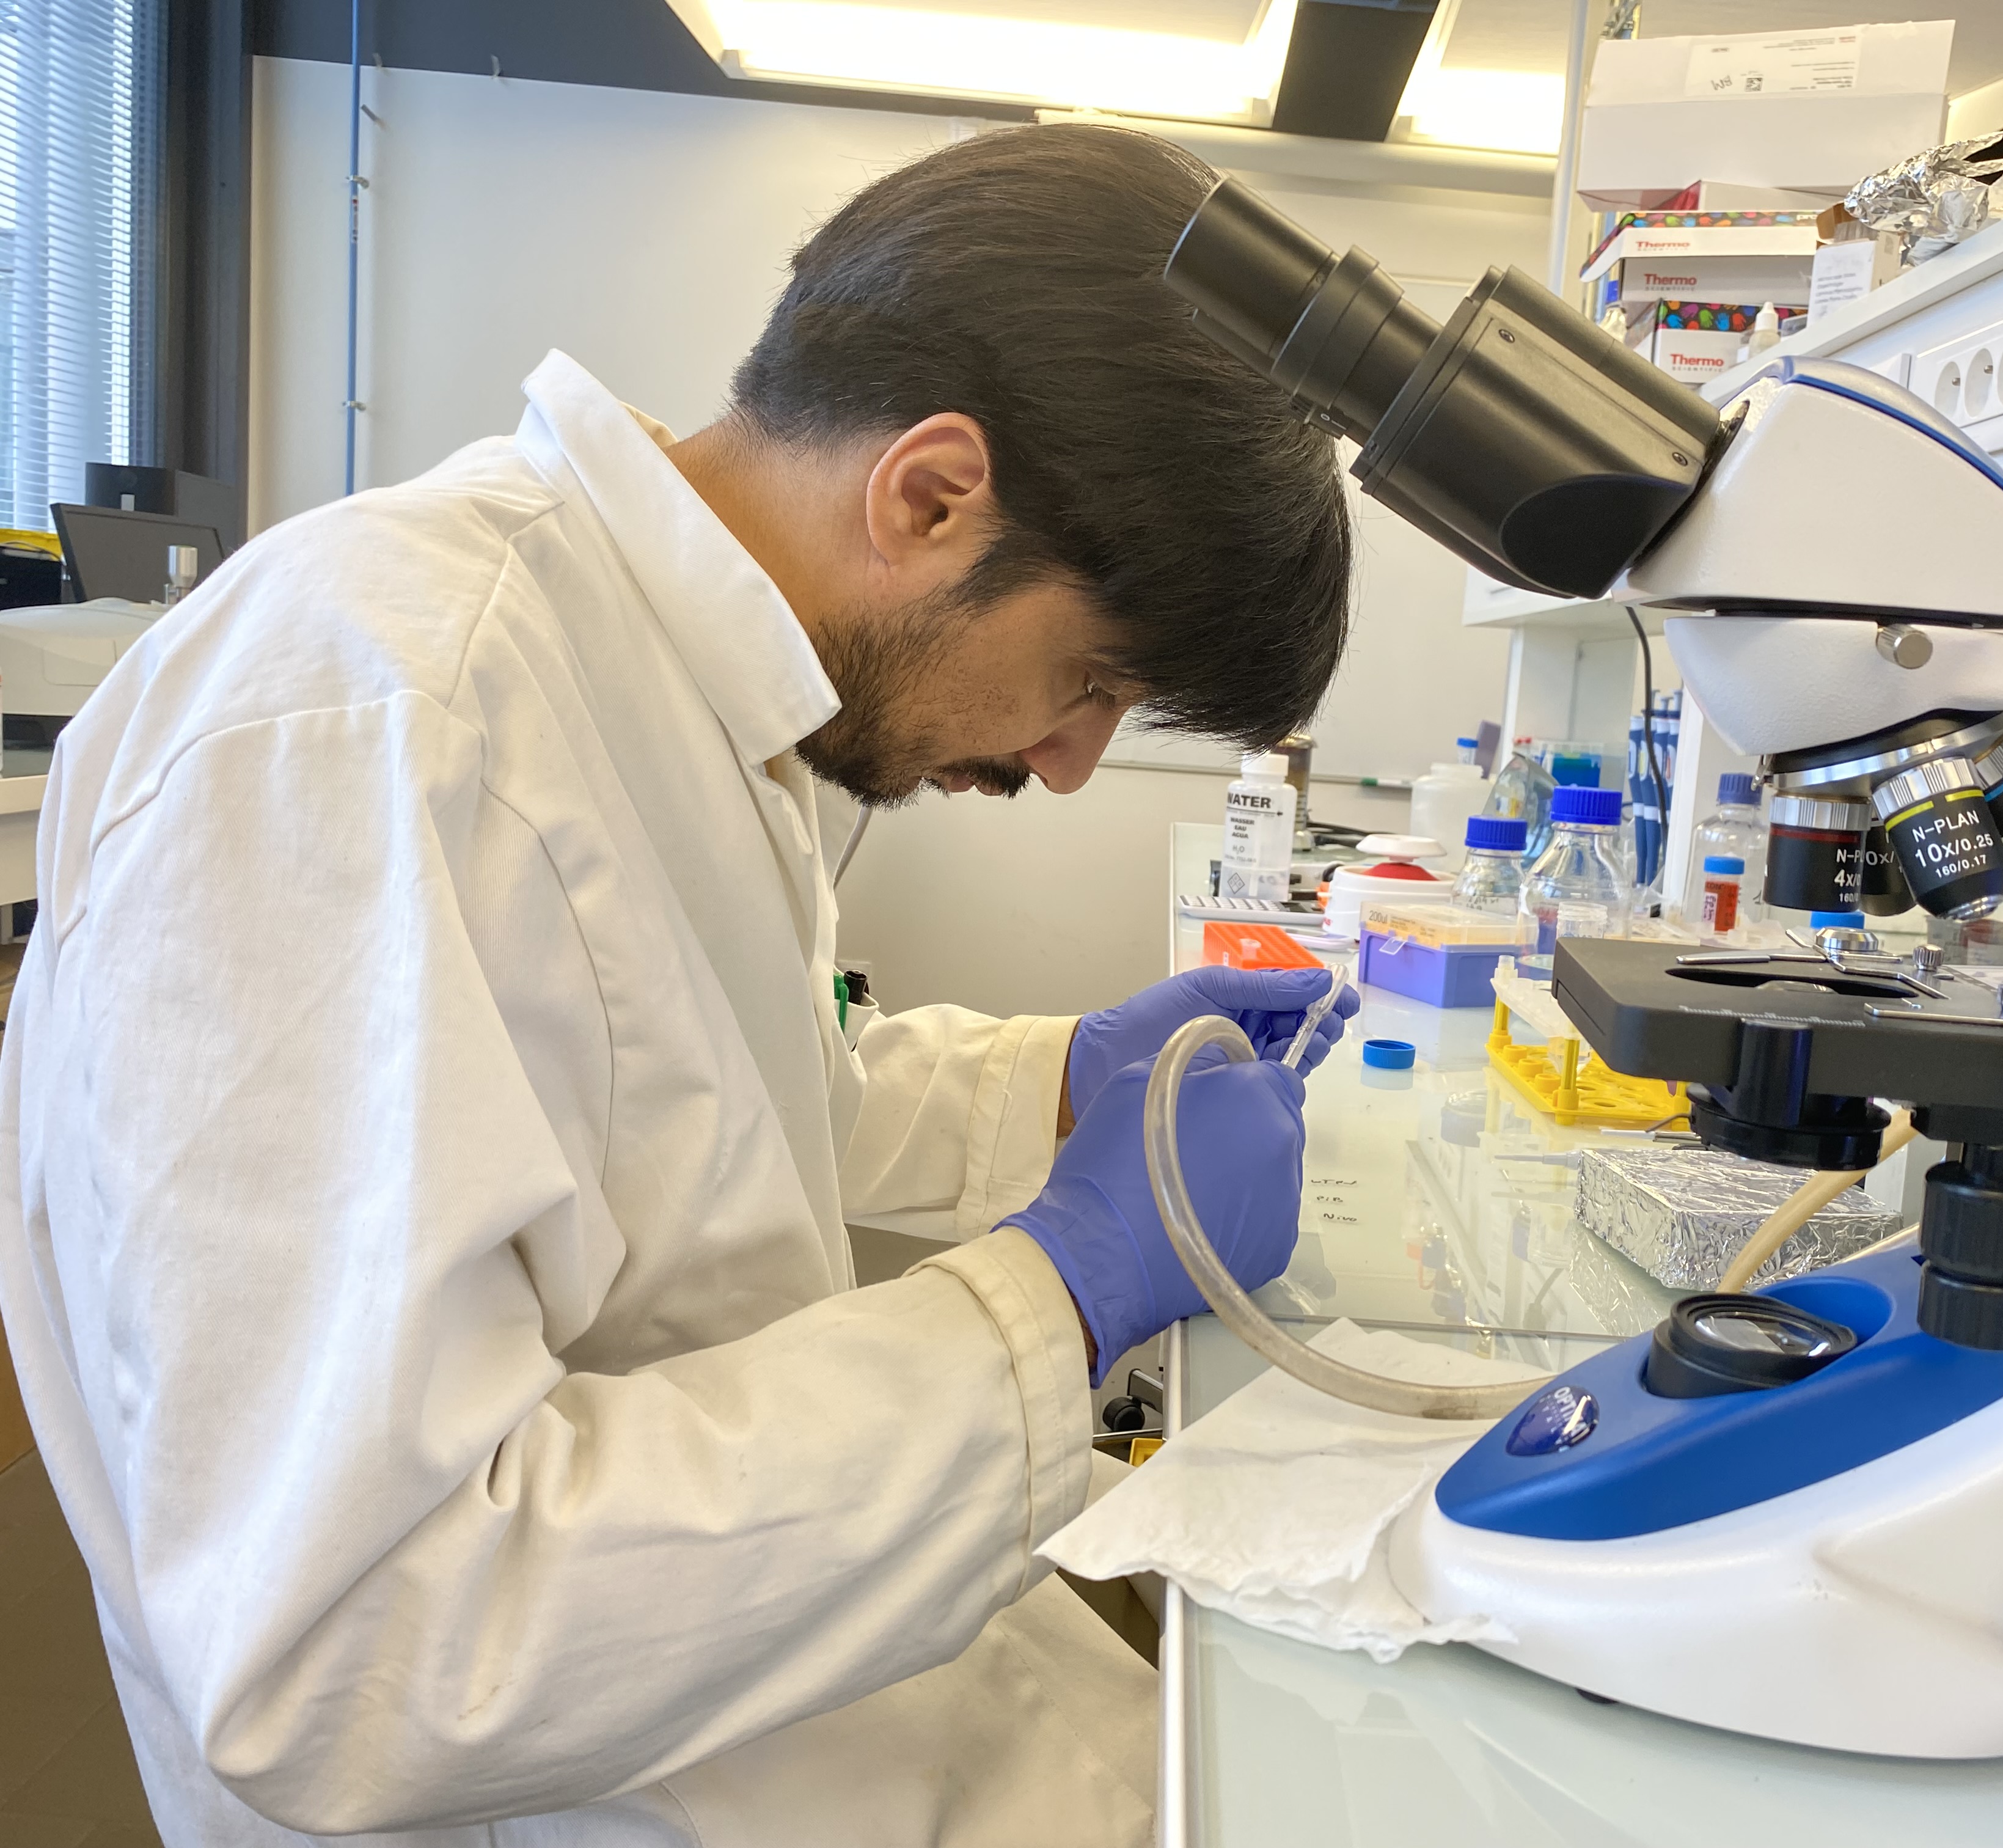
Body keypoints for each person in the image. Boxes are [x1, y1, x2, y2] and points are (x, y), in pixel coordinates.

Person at [0, 125, 1361, 1847]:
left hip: (773, 1700)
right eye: (1090, 679)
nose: (1075, 762)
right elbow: (360, 1646)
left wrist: (1070, 1086)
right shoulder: (383, 720)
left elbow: (694, 1111)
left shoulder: (671, 677)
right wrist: (1057, 1300)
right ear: (932, 497)